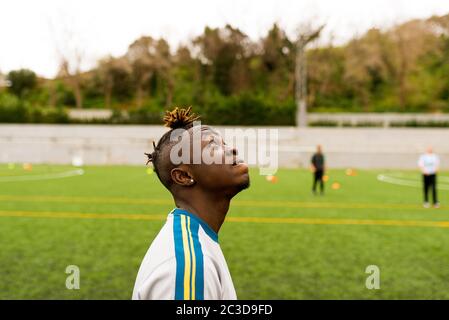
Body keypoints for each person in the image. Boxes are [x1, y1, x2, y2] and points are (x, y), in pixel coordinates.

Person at [132, 107, 250, 300]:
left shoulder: (195, 243)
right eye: (213, 147)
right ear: (184, 176)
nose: (232, 149)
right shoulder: (188, 266)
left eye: (224, 143)